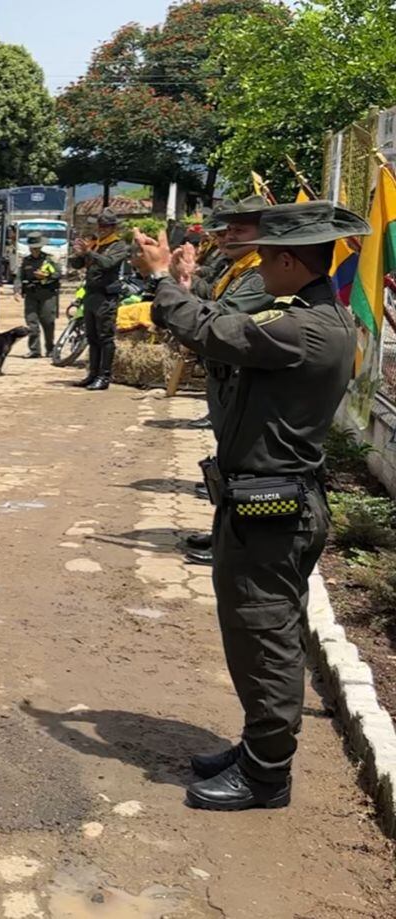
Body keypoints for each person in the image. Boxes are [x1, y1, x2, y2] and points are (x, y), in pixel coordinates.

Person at [134, 200, 370, 812]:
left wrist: (164, 279)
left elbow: (214, 331)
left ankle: (266, 775)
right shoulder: (313, 317)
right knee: (260, 630)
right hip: (271, 505)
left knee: (263, 637)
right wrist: (184, 288)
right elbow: (219, 326)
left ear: (292, 259)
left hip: (273, 512)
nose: (259, 264)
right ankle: (257, 748)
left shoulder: (305, 329)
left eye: (267, 255)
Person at [170, 196, 274, 565]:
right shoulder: (238, 268)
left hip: (240, 381)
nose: (228, 236)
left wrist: (173, 284)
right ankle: (224, 531)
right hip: (223, 378)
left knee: (242, 466)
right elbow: (208, 298)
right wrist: (187, 278)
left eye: (238, 230)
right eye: (227, 229)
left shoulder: (262, 273)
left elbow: (220, 316)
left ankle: (233, 543)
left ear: (265, 234)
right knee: (228, 461)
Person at [68, 210, 131, 391]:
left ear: (113, 227)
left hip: (106, 296)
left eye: (106, 226)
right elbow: (77, 265)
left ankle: (104, 377)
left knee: (105, 337)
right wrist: (79, 253)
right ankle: (92, 374)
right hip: (91, 294)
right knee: (92, 337)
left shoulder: (119, 245)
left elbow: (107, 263)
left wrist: (90, 252)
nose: (101, 229)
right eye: (100, 225)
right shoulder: (95, 244)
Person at [15, 231, 60, 358]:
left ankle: (50, 349)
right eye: (32, 248)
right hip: (31, 294)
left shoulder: (50, 259)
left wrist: (46, 276)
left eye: (37, 248)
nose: (34, 250)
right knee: (32, 322)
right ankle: (34, 350)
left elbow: (58, 274)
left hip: (47, 294)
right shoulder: (26, 261)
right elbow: (19, 277)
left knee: (48, 322)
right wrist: (17, 290)